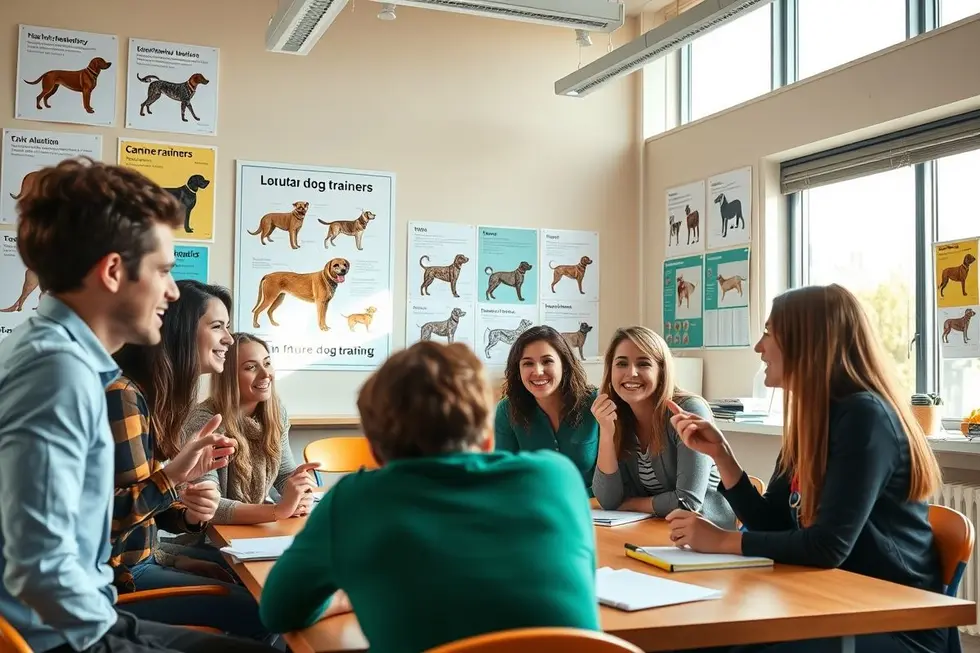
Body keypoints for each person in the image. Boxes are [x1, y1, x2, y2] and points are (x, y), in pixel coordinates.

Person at [0, 158, 278, 653]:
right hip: (68, 634)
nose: (172, 293)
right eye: (164, 271)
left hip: (86, 615)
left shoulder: (62, 358)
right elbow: (40, 570)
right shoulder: (59, 374)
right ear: (112, 272)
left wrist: (173, 477)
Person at [665, 284, 956, 653]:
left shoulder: (865, 417)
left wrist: (722, 540)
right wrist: (722, 454)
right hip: (832, 601)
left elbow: (827, 546)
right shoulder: (813, 418)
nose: (759, 347)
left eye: (769, 333)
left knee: (728, 644)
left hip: (894, 621)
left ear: (808, 343)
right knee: (708, 636)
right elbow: (770, 521)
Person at [258, 341, 600, 653]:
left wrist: (339, 599)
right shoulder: (558, 477)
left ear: (376, 452)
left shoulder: (354, 501)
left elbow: (277, 611)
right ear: (486, 437)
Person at [107, 281, 274, 642]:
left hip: (146, 561)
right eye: (218, 327)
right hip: (120, 581)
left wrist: (188, 515)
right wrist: (171, 480)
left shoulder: (155, 400)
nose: (229, 339)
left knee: (253, 590)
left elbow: (143, 512)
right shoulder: (123, 396)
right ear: (180, 332)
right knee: (268, 611)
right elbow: (110, 518)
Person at [591, 326, 736, 528]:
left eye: (643, 364)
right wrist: (607, 432)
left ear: (661, 371)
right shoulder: (616, 415)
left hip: (706, 533)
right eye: (621, 364)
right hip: (652, 528)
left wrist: (630, 503)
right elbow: (608, 500)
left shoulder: (687, 410)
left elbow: (687, 502)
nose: (631, 373)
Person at [180, 332, 318, 525]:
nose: (265, 374)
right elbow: (210, 506)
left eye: (267, 363)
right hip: (209, 538)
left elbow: (285, 473)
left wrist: (300, 493)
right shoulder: (204, 421)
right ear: (228, 377)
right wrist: (279, 510)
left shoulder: (276, 413)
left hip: (258, 530)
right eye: (251, 367)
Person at [494, 325, 599, 494]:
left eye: (547, 361)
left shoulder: (596, 403)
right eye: (528, 363)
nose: (538, 371)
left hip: (594, 510)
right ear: (518, 369)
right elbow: (503, 478)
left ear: (564, 365)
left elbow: (615, 479)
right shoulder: (506, 410)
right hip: (535, 511)